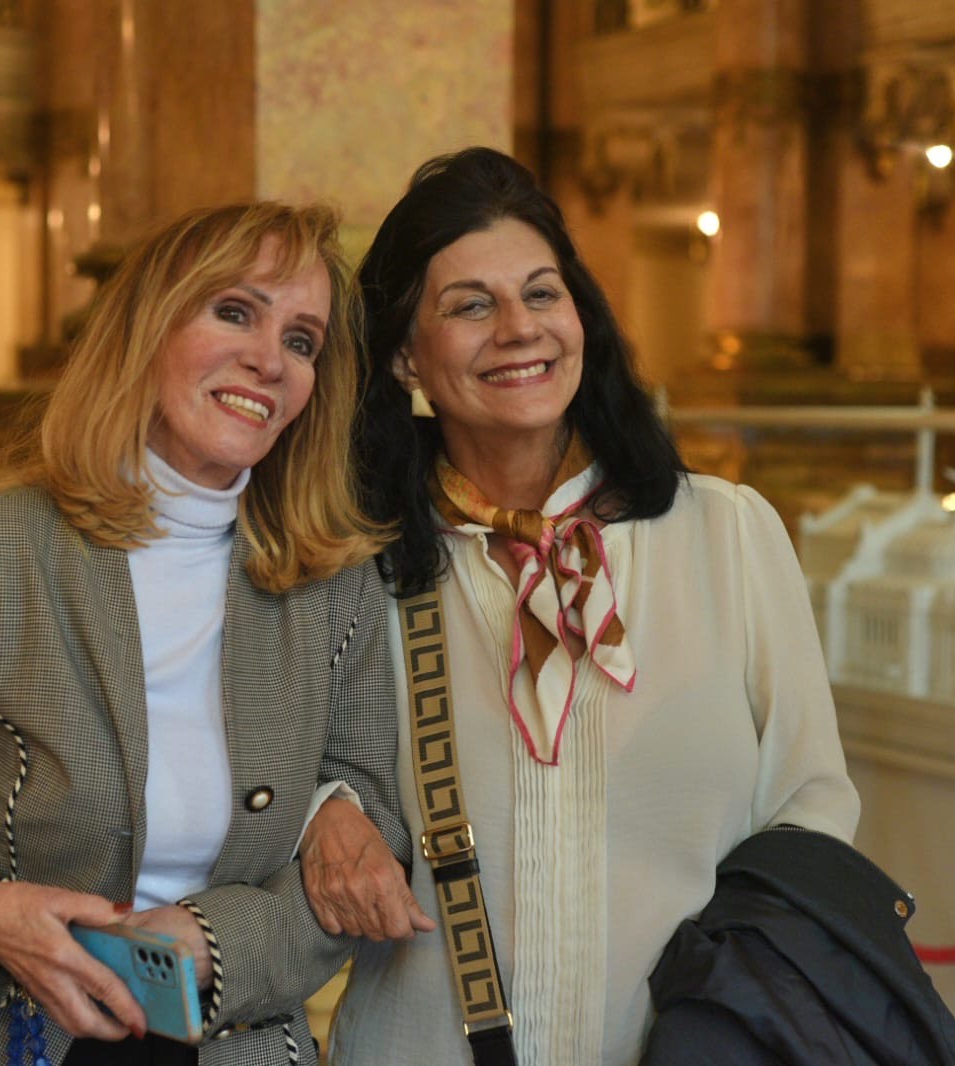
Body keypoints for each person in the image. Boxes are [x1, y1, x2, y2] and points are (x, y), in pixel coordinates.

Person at [0, 200, 415, 1066]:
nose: (268, 359)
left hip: (232, 1041)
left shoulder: (338, 583)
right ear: (146, 329)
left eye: (301, 340)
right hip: (8, 1036)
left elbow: (371, 838)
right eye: (234, 311)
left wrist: (213, 940)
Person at [298, 147, 861, 1065]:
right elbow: (271, 769)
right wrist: (322, 812)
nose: (518, 329)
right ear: (405, 354)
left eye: (541, 293)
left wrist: (729, 1007)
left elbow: (810, 806)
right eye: (469, 305)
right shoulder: (354, 558)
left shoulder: (726, 534)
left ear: (580, 317)